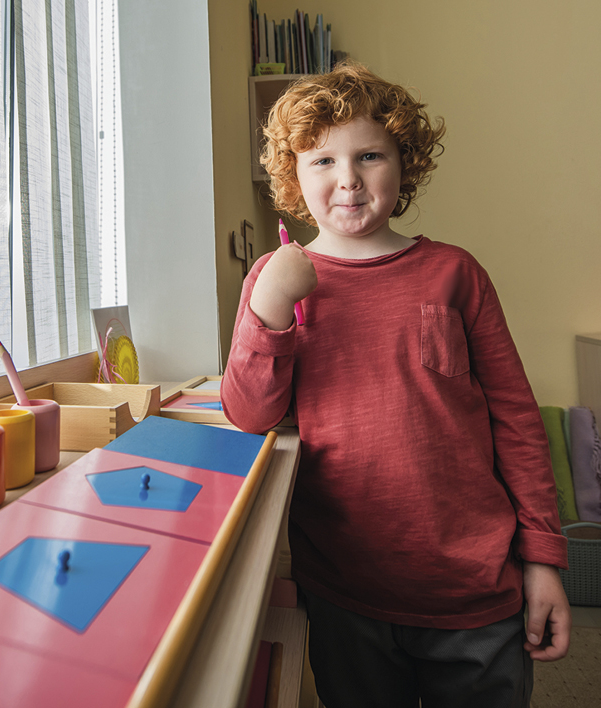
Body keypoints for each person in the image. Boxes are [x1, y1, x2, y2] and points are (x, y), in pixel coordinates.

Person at [221, 61, 570, 708]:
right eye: (321, 160)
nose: (348, 179)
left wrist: (543, 559)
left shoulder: (454, 274)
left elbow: (517, 422)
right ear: (292, 177)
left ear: (404, 164)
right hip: (346, 589)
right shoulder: (274, 279)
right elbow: (249, 414)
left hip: (475, 587)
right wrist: (268, 312)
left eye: (370, 155)